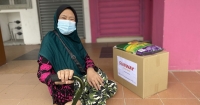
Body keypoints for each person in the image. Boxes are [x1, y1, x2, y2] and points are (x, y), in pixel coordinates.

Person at [37, 4, 117, 105]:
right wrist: (58, 77)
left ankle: (79, 102)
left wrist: (90, 70)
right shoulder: (49, 39)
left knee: (111, 85)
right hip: (65, 86)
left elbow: (86, 58)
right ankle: (77, 100)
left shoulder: (74, 38)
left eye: (71, 19)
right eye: (63, 18)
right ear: (57, 19)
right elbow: (42, 74)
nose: (68, 22)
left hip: (81, 77)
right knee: (102, 82)